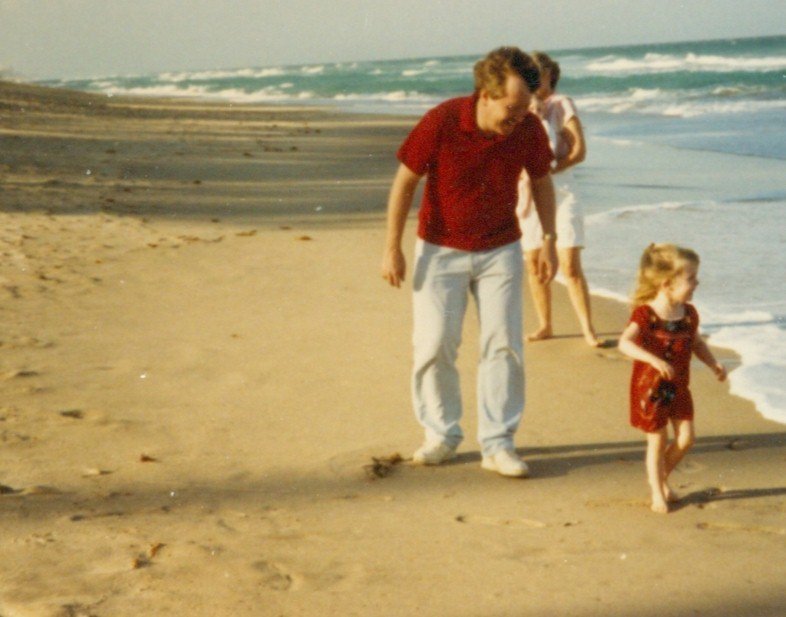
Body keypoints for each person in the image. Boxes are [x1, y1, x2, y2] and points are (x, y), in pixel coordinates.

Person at [380, 47, 557, 478]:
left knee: (504, 345)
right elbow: (405, 181)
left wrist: (549, 239)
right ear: (485, 93)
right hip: (440, 249)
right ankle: (440, 435)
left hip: (501, 249)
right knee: (434, 344)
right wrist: (392, 246)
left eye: (525, 109)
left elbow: (542, 181)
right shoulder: (442, 121)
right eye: (510, 109)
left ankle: (498, 444)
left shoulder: (528, 129)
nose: (517, 118)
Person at [618, 244, 727, 513]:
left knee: (686, 438)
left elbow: (696, 343)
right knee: (657, 440)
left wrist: (713, 363)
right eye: (691, 278)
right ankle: (658, 492)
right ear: (667, 284)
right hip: (651, 389)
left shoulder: (688, 314)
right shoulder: (646, 315)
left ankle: (660, 477)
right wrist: (653, 360)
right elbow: (625, 343)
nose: (696, 283)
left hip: (679, 387)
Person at [516, 52, 602, 347]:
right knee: (533, 262)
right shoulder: (519, 106)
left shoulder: (562, 104)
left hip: (562, 191)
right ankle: (545, 325)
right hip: (527, 192)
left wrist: (548, 170)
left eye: (537, 74)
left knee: (569, 264)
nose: (532, 80)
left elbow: (579, 152)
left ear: (550, 75)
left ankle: (589, 329)